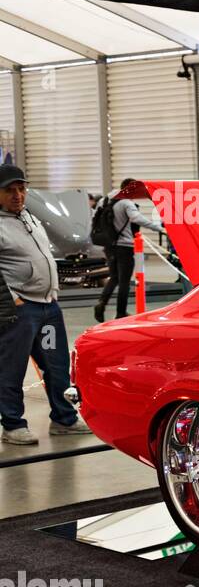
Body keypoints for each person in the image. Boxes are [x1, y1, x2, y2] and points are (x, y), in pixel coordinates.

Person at [0, 164, 92, 444]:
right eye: (9, 190)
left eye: (21, 188)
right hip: (20, 311)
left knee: (56, 364)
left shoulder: (28, 217)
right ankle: (13, 425)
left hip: (48, 309)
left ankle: (63, 419)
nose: (18, 195)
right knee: (12, 369)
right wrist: (13, 301)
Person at [94, 179, 154, 323]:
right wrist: (158, 228)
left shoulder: (104, 200)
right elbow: (136, 219)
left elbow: (94, 218)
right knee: (124, 281)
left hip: (108, 245)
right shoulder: (126, 202)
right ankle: (121, 312)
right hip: (125, 246)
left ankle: (101, 302)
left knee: (114, 277)